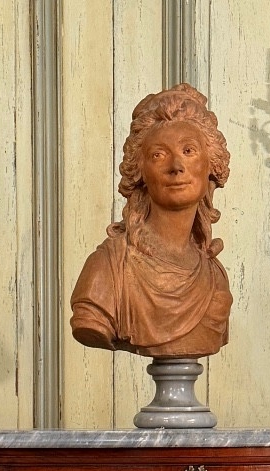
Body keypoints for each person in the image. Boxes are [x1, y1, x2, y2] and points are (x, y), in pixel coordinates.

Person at [70, 84, 232, 359]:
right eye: (159, 154)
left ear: (211, 166)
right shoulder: (108, 269)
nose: (176, 166)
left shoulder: (215, 278)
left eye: (189, 151)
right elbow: (89, 323)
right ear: (140, 171)